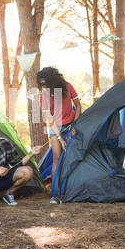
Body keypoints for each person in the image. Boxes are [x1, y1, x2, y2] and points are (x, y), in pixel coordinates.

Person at [36, 67, 81, 203]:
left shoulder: (68, 87)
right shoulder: (43, 96)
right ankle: (56, 193)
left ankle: (72, 188)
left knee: (71, 155)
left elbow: (78, 106)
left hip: (71, 123)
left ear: (52, 81)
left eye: (45, 84)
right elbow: (50, 119)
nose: (43, 87)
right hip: (55, 127)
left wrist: (75, 124)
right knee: (56, 157)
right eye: (41, 85)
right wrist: (60, 138)